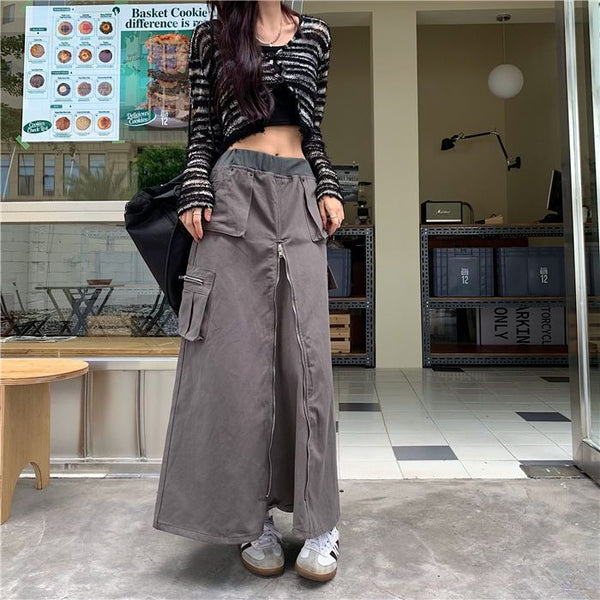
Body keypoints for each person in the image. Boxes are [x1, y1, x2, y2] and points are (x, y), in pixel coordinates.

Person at [153, 0, 345, 583]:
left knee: (308, 362)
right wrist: (193, 189)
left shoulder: (315, 35)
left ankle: (320, 524)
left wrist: (329, 185)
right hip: (234, 194)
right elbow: (202, 129)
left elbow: (313, 129)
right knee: (235, 363)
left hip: (301, 197)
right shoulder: (214, 36)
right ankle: (250, 518)